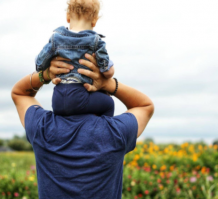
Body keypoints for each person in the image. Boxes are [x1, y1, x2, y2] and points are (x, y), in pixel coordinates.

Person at [11, 53, 154, 198]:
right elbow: (145, 106)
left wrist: (46, 74)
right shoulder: (116, 133)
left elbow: (20, 93)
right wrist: (108, 83)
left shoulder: (42, 128)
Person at [35, 0, 115, 117]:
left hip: (58, 100)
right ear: (94, 21)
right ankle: (103, 132)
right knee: (109, 103)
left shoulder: (56, 39)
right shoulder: (96, 42)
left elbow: (39, 64)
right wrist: (109, 68)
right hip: (81, 96)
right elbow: (107, 72)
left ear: (68, 17)